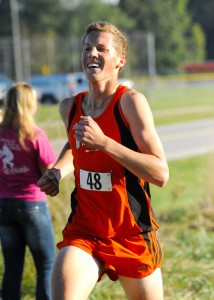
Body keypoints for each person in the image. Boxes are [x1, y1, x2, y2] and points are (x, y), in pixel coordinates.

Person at [38, 21, 169, 300]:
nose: (91, 54)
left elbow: (160, 173)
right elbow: (75, 144)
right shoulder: (70, 107)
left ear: (120, 60)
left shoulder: (130, 103)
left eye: (101, 48)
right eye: (87, 48)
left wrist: (106, 143)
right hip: (85, 230)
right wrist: (57, 172)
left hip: (131, 233)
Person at [0, 82, 57, 300]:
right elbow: (49, 172)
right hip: (31, 205)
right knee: (47, 264)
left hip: (3, 205)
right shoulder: (34, 135)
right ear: (30, 105)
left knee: (12, 267)